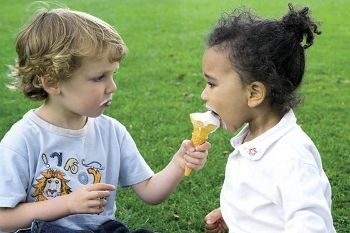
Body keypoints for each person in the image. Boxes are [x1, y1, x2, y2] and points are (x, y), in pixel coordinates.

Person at [0, 7, 210, 233]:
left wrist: (179, 163)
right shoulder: (23, 139)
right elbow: (3, 219)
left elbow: (150, 192)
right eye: (99, 77)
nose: (112, 87)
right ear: (52, 82)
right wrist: (67, 204)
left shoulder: (112, 132)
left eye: (113, 74)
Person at [201, 4, 335, 233]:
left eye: (212, 84)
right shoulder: (255, 137)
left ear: (254, 94)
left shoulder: (291, 157)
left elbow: (311, 225)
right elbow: (266, 197)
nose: (204, 94)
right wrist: (237, 215)